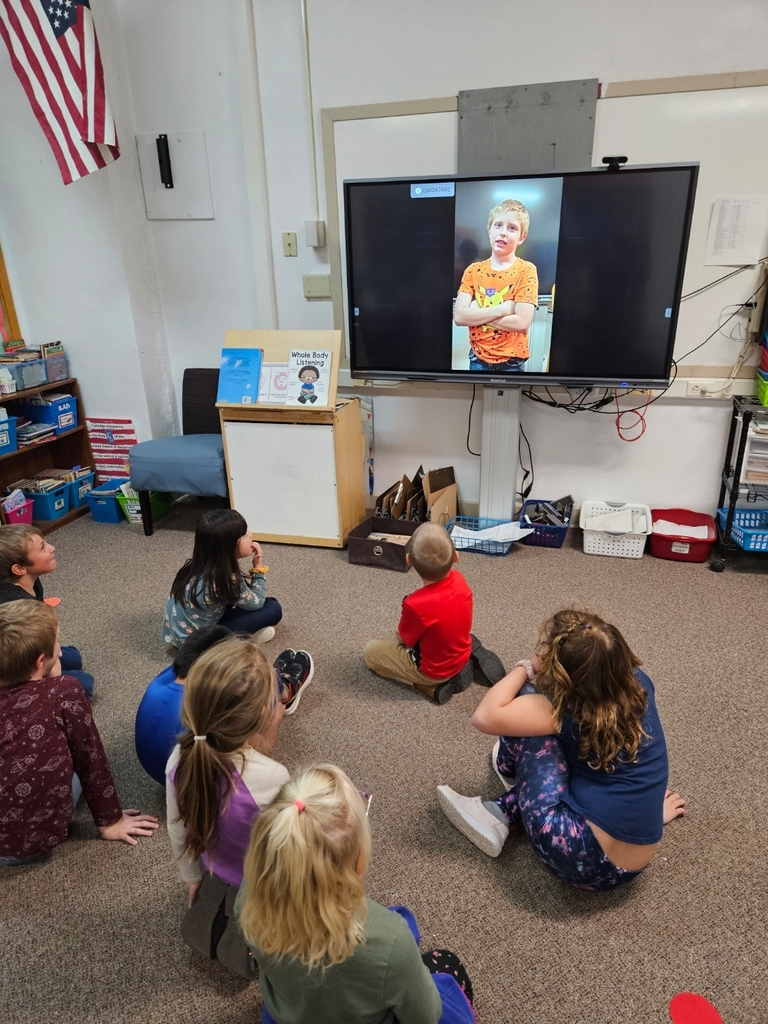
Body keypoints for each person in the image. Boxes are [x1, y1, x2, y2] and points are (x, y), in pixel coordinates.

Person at [437, 609, 686, 891]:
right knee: (598, 757)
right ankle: (515, 800)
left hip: (574, 856)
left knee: (527, 699)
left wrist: (527, 667)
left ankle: (499, 809)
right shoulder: (640, 684)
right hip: (634, 863)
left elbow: (485, 716)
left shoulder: (567, 712)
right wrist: (652, 813)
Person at [236, 764, 476, 1024]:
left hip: (291, 1014)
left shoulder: (246, 900)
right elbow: (426, 1017)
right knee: (447, 965)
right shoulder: (391, 944)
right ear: (358, 858)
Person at [166, 634, 313, 969]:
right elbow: (286, 846)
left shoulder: (180, 756)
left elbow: (178, 828)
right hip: (257, 882)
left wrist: (192, 878)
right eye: (278, 700)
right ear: (265, 715)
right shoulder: (272, 776)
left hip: (212, 868)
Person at [0, 602, 158, 865]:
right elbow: (89, 757)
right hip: (20, 847)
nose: (60, 651)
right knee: (71, 756)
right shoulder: (63, 691)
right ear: (41, 660)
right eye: (57, 644)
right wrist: (111, 821)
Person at [136, 625, 314, 786]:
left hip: (161, 773)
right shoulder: (216, 700)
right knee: (259, 686)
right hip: (194, 782)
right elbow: (254, 747)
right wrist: (274, 720)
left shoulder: (163, 678)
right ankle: (283, 687)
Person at [363, 521, 505, 704]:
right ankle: (466, 656)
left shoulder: (415, 604)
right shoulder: (460, 580)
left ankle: (428, 687)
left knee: (371, 653)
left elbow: (404, 640)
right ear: (456, 557)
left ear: (409, 561)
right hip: (460, 652)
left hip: (432, 671)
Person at [163, 508, 282, 648]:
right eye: (244, 534)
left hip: (178, 638)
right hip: (201, 645)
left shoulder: (193, 566)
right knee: (273, 607)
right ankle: (235, 645)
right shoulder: (227, 579)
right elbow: (257, 603)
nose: (250, 534)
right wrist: (258, 569)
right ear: (229, 546)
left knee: (237, 600)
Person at [0, 523, 95, 698]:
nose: (53, 548)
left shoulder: (31, 580)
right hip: (15, 665)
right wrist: (53, 677)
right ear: (19, 568)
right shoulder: (17, 608)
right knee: (86, 684)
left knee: (73, 657)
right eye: (43, 548)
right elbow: (22, 658)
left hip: (32, 649)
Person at [453, 198, 539, 372]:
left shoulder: (526, 270)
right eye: (498, 225)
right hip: (477, 358)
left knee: (511, 400)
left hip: (512, 362)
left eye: (512, 228)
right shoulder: (473, 271)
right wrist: (504, 309)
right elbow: (460, 317)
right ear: (489, 230)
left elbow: (521, 322)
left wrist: (477, 313)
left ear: (522, 237)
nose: (503, 233)